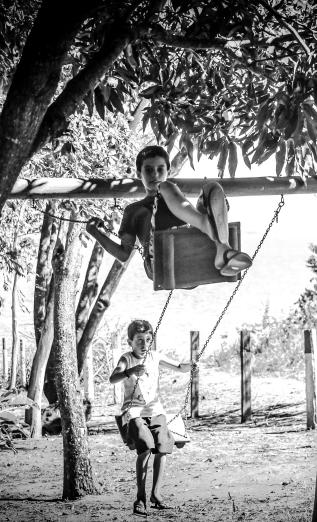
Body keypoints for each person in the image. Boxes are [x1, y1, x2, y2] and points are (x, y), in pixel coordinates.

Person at [86, 145, 252, 280]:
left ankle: (221, 251)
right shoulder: (134, 210)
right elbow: (123, 254)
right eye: (149, 170)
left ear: (169, 171)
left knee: (210, 189)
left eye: (160, 169)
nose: (156, 175)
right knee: (165, 186)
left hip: (190, 257)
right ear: (139, 174)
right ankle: (211, 230)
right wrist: (93, 231)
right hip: (159, 264)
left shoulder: (177, 199)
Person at [109, 319, 195, 516]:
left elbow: (180, 367)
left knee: (163, 447)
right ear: (130, 341)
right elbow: (113, 378)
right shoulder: (126, 359)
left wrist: (191, 365)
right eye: (139, 339)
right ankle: (140, 497)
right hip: (134, 412)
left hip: (155, 410)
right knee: (146, 447)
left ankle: (156, 494)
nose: (144, 344)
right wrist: (130, 372)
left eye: (148, 339)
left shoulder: (155, 356)